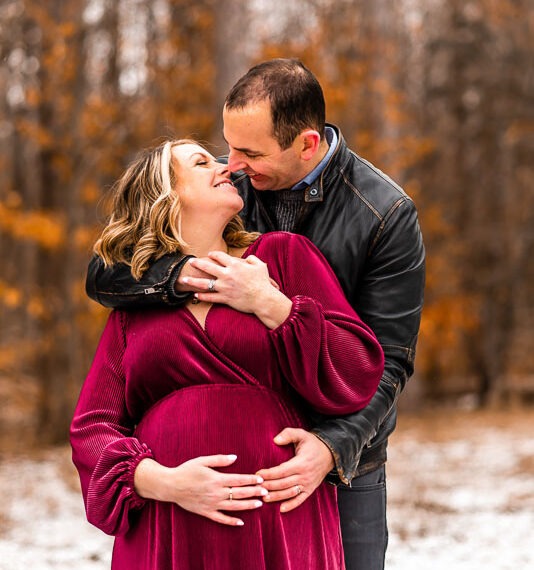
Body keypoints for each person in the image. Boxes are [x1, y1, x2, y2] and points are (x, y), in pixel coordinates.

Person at [86, 58, 426, 570]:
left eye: (248, 152)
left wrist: (332, 449)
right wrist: (179, 276)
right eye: (225, 149)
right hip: (178, 512)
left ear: (306, 144)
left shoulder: (383, 216)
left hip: (331, 460)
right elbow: (108, 269)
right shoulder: (229, 188)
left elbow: (386, 361)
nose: (232, 164)